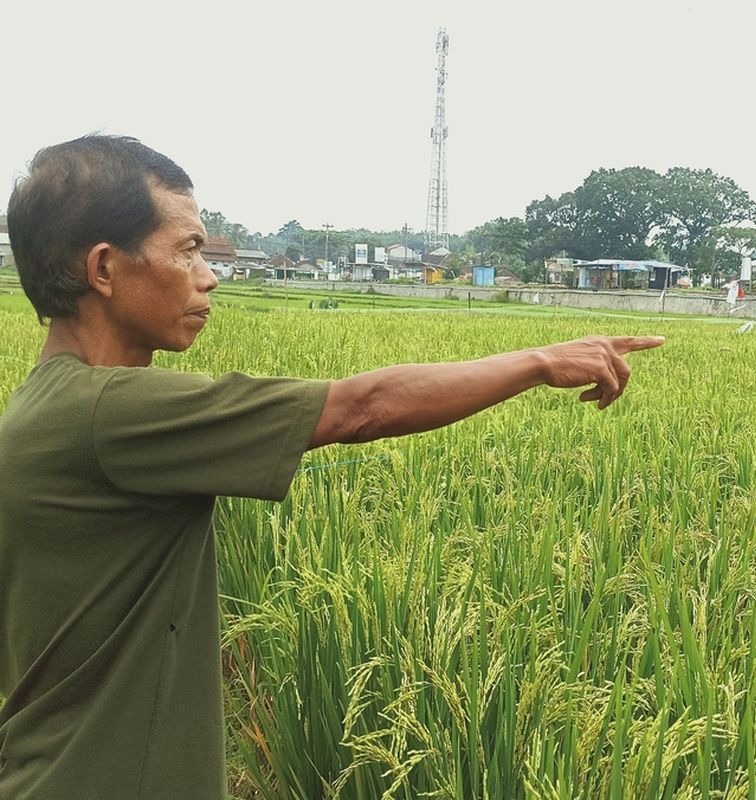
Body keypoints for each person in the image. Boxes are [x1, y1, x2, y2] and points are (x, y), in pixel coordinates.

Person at [0, 135, 663, 799]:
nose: (210, 275)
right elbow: (360, 410)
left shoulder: (44, 406)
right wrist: (540, 363)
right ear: (106, 268)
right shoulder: (109, 413)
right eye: (189, 250)